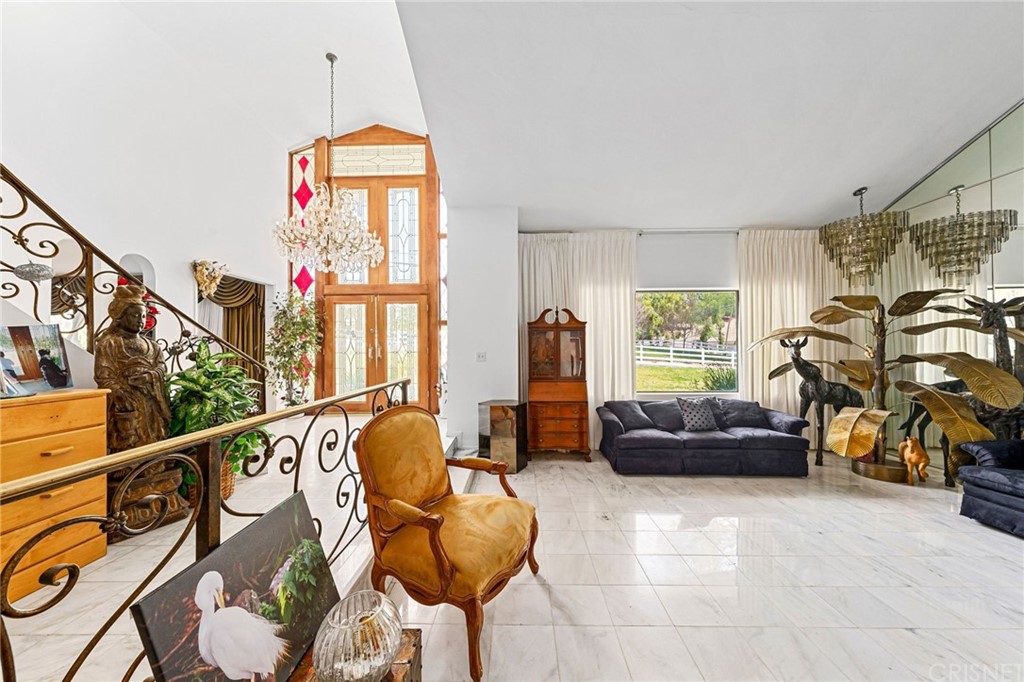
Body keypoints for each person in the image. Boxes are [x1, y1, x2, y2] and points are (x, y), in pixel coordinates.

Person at [94, 285, 171, 451]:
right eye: (135, 315)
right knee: (129, 442)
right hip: (126, 405)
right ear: (120, 316)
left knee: (155, 440)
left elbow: (161, 367)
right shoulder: (109, 343)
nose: (140, 320)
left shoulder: (152, 346)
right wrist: (121, 394)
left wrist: (149, 377)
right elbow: (104, 376)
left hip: (151, 402)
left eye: (143, 316)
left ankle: (156, 462)